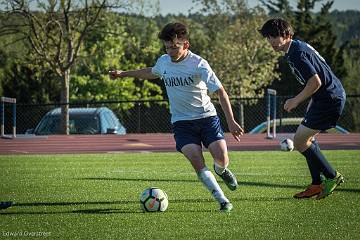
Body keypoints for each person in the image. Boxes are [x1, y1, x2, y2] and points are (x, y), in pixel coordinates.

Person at [109, 22, 244, 212]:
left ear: (185, 44)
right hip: (181, 123)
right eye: (167, 47)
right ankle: (223, 200)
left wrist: (230, 121)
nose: (171, 51)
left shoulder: (199, 64)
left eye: (175, 47)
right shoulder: (164, 61)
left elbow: (221, 92)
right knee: (197, 160)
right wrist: (123, 74)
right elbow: (150, 72)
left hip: (207, 118)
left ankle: (221, 170)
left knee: (221, 158)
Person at [258, 18, 346, 200]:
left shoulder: (296, 53)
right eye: (268, 37)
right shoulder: (296, 48)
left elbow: (315, 81)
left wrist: (295, 100)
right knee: (307, 139)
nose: (271, 41)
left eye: (275, 36)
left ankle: (332, 176)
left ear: (287, 35)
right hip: (325, 98)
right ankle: (316, 184)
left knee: (299, 141)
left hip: (329, 99)